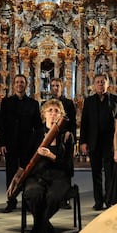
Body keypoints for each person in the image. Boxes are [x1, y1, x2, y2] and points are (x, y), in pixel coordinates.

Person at [23, 99, 74, 233]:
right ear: (43, 114)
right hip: (38, 176)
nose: (53, 114)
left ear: (60, 116)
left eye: (56, 111)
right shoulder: (36, 134)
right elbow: (27, 159)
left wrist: (51, 156)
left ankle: (37, 228)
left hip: (59, 177)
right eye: (49, 111)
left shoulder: (66, 136)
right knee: (33, 194)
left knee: (53, 196)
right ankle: (45, 225)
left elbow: (68, 166)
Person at [0, 74, 43, 213]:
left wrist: (37, 144)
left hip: (28, 144)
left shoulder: (33, 103)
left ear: (26, 84)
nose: (19, 84)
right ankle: (11, 200)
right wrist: (2, 143)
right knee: (11, 172)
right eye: (17, 82)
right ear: (14, 84)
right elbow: (2, 125)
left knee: (27, 172)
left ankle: (27, 200)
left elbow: (38, 126)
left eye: (22, 82)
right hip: (11, 143)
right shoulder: (6, 102)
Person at [80, 74, 117, 210]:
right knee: (95, 173)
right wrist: (83, 142)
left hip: (109, 142)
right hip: (94, 141)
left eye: (103, 82)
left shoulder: (115, 99)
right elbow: (84, 122)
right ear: (94, 85)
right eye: (98, 82)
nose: (100, 84)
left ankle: (109, 201)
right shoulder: (89, 101)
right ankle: (98, 201)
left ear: (108, 84)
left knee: (109, 173)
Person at [48, 77, 77, 209]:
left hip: (65, 137)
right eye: (53, 85)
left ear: (62, 87)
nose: (55, 88)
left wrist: (69, 133)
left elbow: (72, 122)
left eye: (57, 85)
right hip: (51, 138)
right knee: (51, 166)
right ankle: (51, 195)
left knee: (66, 166)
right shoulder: (47, 103)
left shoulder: (69, 103)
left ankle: (65, 197)